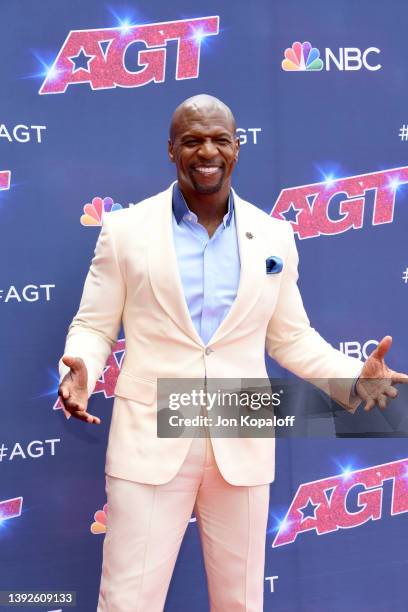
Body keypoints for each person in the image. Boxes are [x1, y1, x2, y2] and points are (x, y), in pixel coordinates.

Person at [58, 94, 408, 611]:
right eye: (193, 140)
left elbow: (290, 337)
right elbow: (93, 324)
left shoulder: (273, 234)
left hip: (240, 431)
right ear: (171, 149)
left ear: (237, 149)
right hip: (151, 436)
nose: (208, 151)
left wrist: (353, 377)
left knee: (241, 602)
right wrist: (81, 366)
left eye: (220, 139)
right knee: (128, 600)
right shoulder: (125, 230)